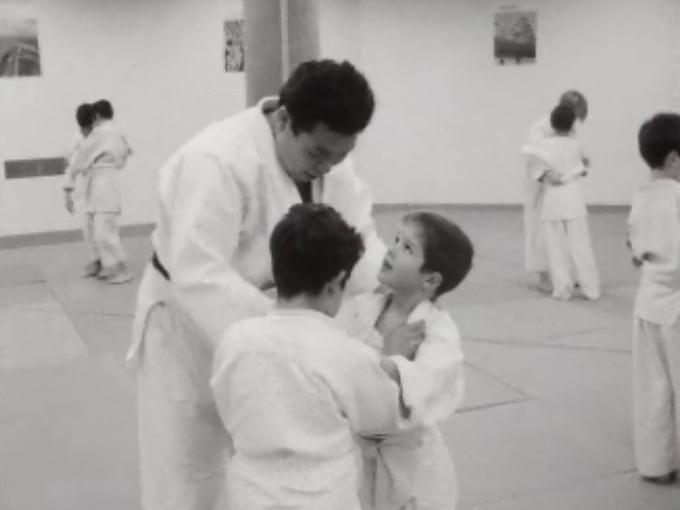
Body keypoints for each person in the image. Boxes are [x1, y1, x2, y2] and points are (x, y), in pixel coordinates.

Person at [126, 59, 387, 510]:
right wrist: (293, 337)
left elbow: (359, 243)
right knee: (188, 470)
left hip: (276, 323)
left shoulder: (331, 160)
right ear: (284, 119)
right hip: (188, 329)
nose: (326, 167)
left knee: (271, 461)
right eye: (318, 155)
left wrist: (395, 292)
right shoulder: (215, 161)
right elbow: (199, 273)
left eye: (340, 155)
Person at [211, 203, 415, 509]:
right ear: (336, 284)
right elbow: (381, 421)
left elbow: (224, 406)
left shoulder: (233, 339)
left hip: (248, 494)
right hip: (323, 497)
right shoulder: (347, 352)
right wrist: (391, 361)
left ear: (275, 270)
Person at [336, 211, 473, 510]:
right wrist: (384, 355)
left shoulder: (437, 332)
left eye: (407, 248)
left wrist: (385, 361)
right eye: (396, 239)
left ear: (431, 279)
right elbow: (332, 364)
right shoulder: (360, 307)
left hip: (411, 469)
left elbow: (425, 388)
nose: (392, 249)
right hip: (355, 459)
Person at [627, 112, 680, 485]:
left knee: (653, 386)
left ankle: (656, 464)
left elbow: (635, 253)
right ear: (675, 159)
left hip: (648, 302)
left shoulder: (640, 199)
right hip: (677, 302)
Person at [521, 104, 600, 300]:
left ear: (552, 124)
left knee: (556, 247)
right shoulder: (576, 145)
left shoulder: (542, 145)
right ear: (573, 124)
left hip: (553, 201)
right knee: (581, 245)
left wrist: (547, 173)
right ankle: (591, 288)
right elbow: (584, 165)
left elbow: (533, 165)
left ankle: (562, 289)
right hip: (574, 199)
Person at [63, 98, 133, 283]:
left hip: (103, 184)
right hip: (100, 184)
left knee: (103, 231)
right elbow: (124, 155)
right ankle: (111, 266)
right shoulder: (115, 133)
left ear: (98, 116)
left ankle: (119, 269)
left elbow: (79, 158)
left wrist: (67, 185)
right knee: (99, 230)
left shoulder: (103, 132)